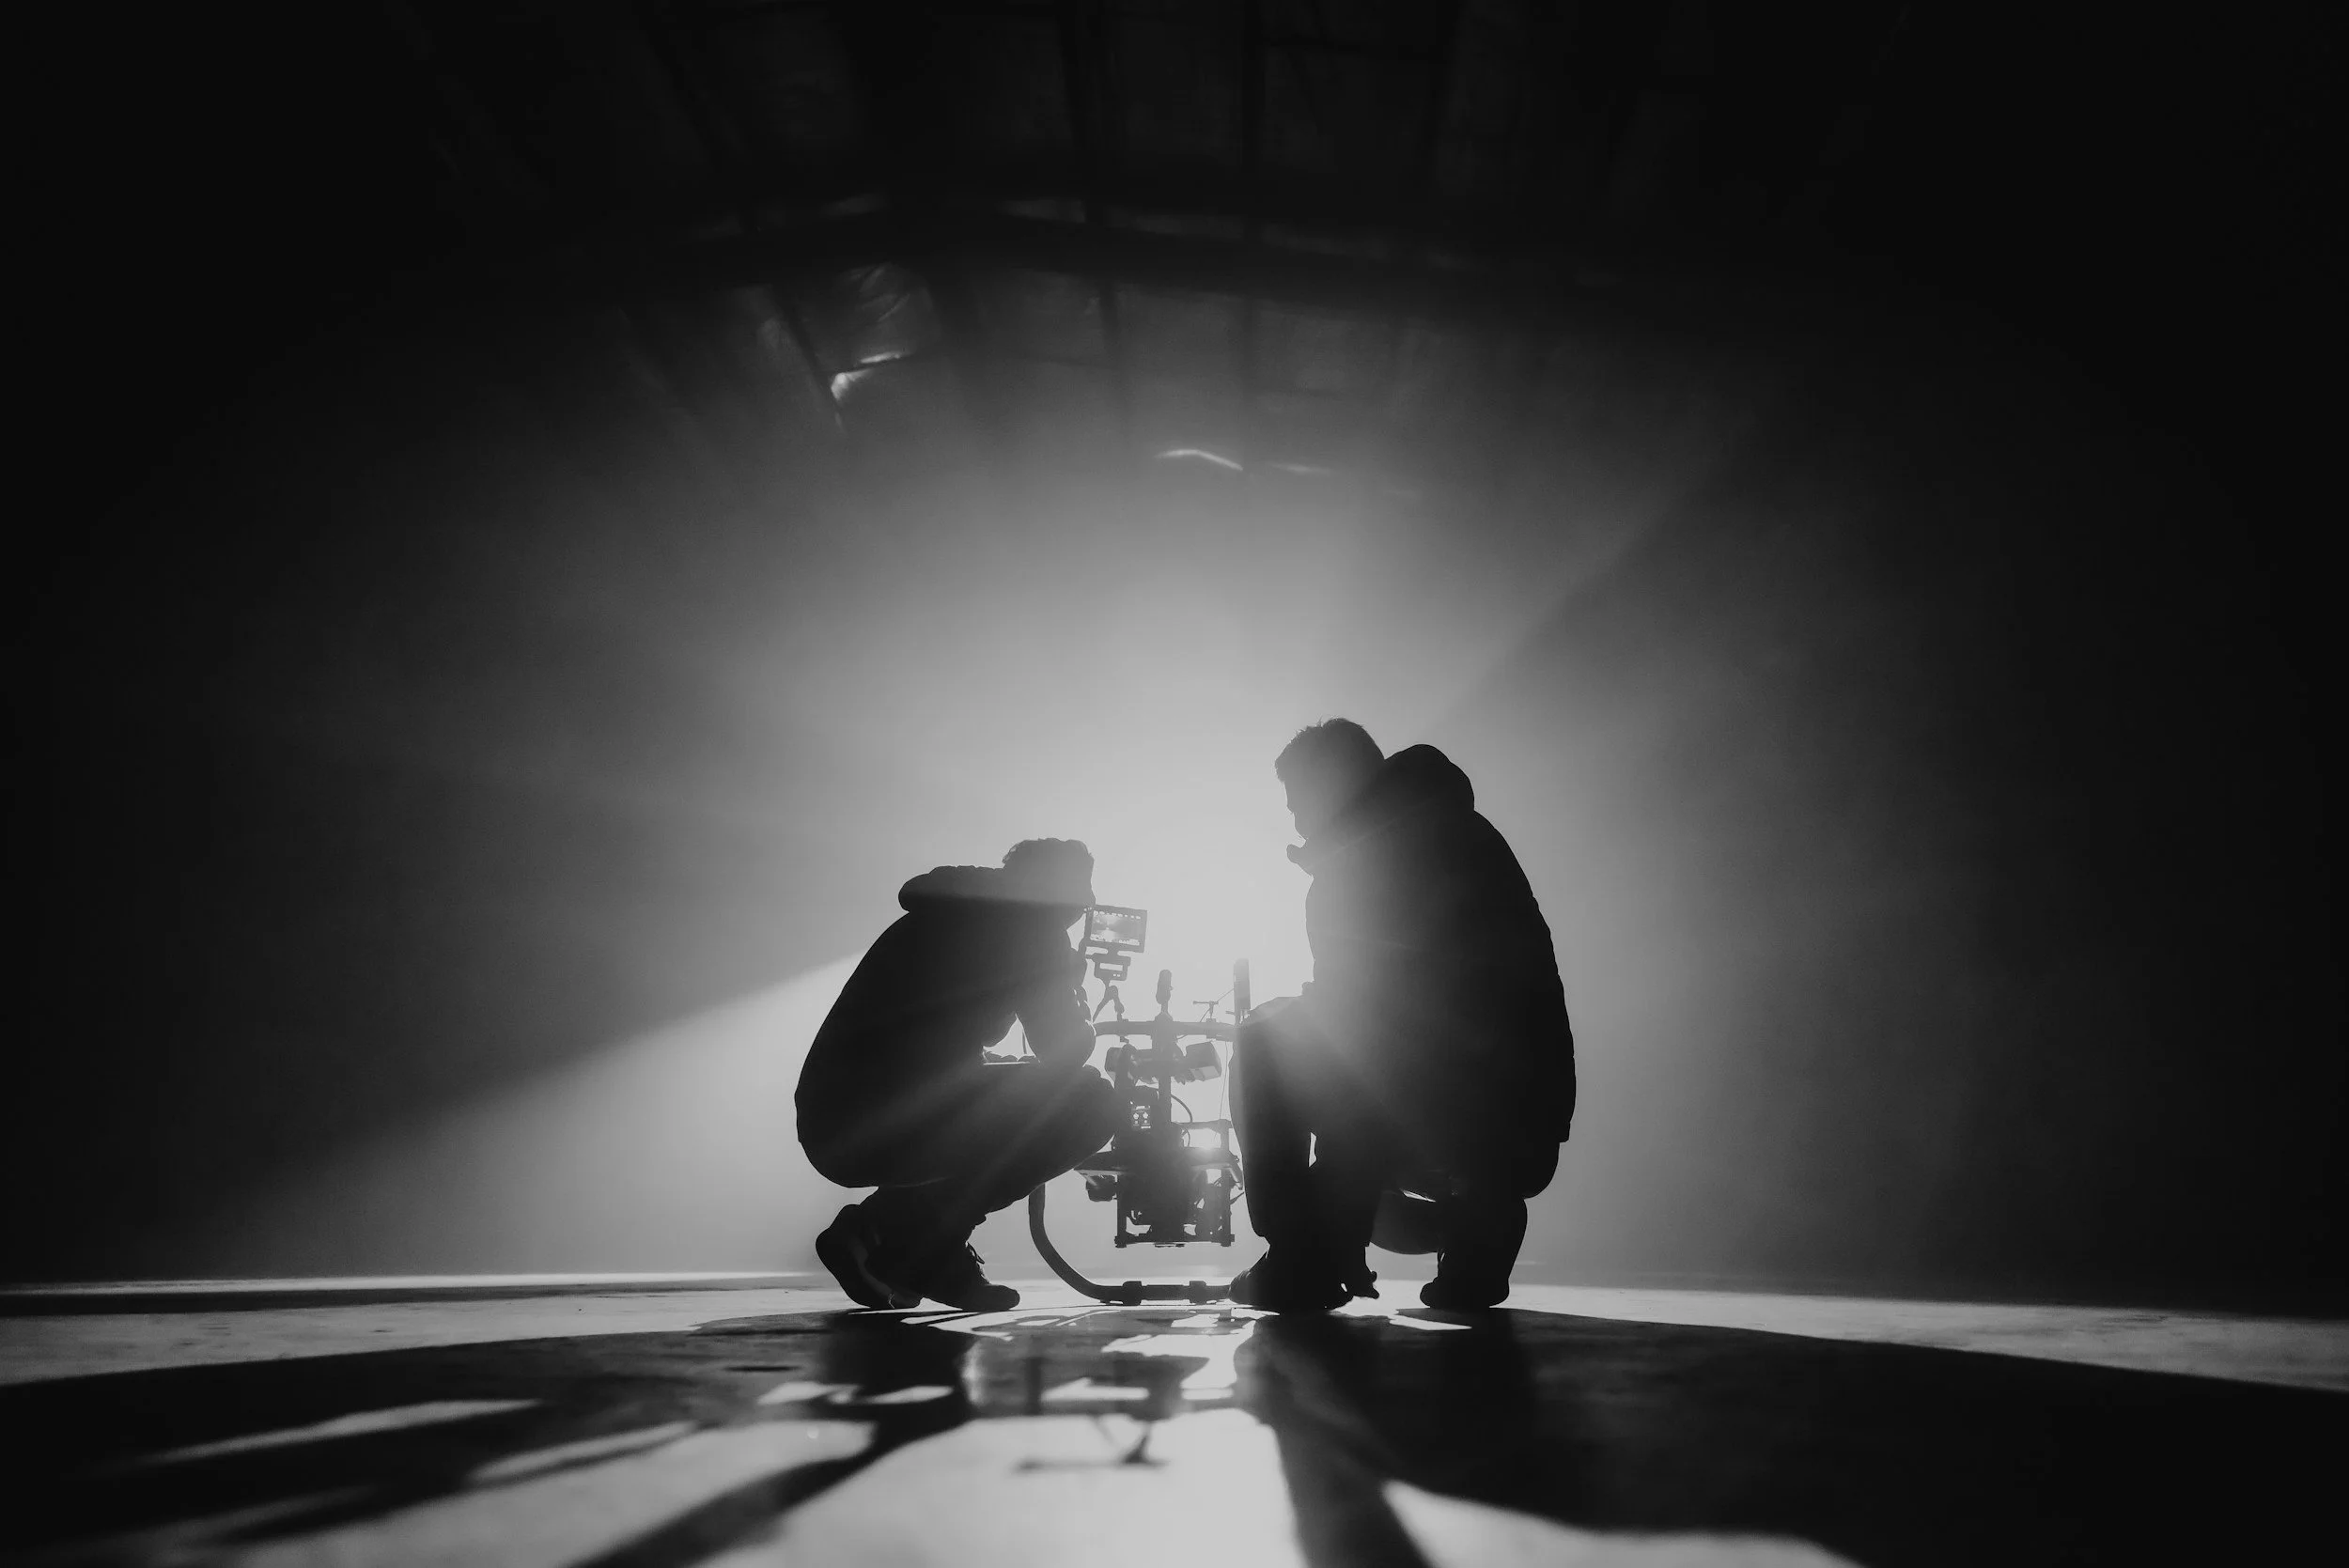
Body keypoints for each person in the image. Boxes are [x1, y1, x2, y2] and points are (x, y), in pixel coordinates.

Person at [1230, 721, 1575, 1312]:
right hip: (1522, 1130)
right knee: (1325, 1046)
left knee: (1263, 1038)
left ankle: (1301, 1255)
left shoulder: (1365, 865)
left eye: (1296, 801)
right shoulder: (1460, 832)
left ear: (1330, 787)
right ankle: (1476, 1228)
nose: (1294, 819)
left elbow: (1365, 1035)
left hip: (1436, 1108)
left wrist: (1329, 1217)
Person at [800, 838, 1119, 1311]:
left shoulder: (943, 913)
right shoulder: (1033, 927)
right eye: (1081, 889)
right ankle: (920, 1248)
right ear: (1055, 889)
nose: (1087, 903)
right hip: (889, 1120)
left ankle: (878, 1234)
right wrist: (1072, 984)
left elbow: (937, 1051)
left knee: (1030, 1086)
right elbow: (1065, 1050)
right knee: (1091, 1101)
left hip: (833, 1122)